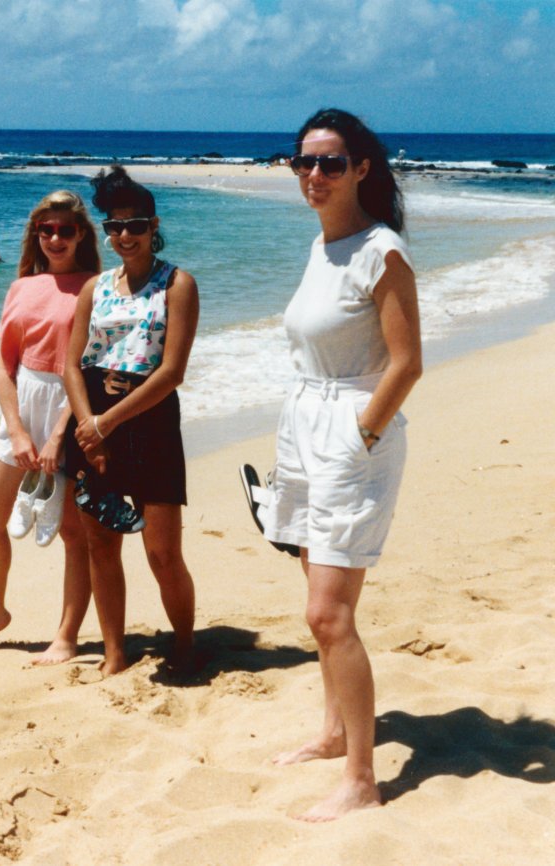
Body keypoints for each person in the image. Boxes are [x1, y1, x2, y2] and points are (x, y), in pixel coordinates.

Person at [258, 108, 422, 822]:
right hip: (304, 424)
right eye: (305, 162)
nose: (315, 175)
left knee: (328, 613)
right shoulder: (323, 245)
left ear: (362, 168)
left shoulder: (380, 250)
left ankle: (361, 776)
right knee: (325, 600)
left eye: (330, 162)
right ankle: (332, 733)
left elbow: (408, 363)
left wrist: (361, 438)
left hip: (353, 432)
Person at [62, 166, 199, 678]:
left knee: (162, 552)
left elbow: (171, 372)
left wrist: (107, 424)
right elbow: (71, 364)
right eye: (113, 226)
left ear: (153, 224)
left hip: (150, 418)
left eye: (134, 225)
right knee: (101, 544)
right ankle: (115, 651)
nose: (123, 236)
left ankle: (184, 644)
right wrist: (88, 425)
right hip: (93, 415)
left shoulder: (178, 284)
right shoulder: (94, 288)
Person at [0, 191, 101, 662]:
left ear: (82, 233)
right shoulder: (22, 285)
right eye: (46, 230)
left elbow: (92, 367)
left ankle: (66, 635)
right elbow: (5, 366)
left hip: (75, 407)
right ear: (35, 234)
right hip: (24, 403)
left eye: (66, 229)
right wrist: (18, 430)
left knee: (73, 533)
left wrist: (62, 433)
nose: (55, 238)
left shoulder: (99, 286)